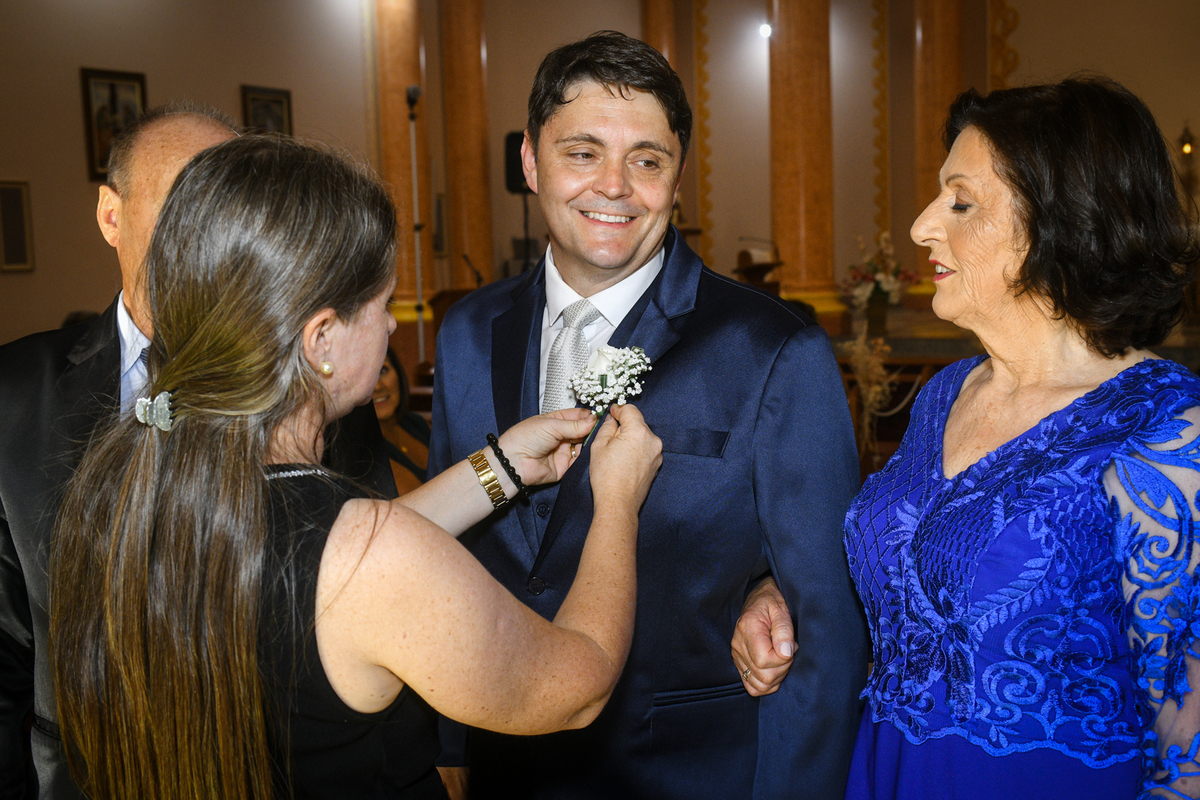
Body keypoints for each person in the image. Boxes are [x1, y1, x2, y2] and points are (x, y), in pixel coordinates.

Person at [48, 135, 662, 800]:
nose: (393, 328)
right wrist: (616, 502)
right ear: (321, 339)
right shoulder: (365, 556)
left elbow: (325, 564)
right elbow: (577, 689)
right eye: (383, 305)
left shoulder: (115, 483)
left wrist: (503, 467)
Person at [428, 30, 867, 798]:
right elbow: (446, 559)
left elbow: (826, 619)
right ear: (530, 161)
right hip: (505, 768)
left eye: (647, 161)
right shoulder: (467, 332)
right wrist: (451, 749)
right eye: (582, 153)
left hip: (685, 773)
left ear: (677, 178)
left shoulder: (770, 349)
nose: (615, 186)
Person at [747, 76, 1200, 798]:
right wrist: (772, 589)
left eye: (961, 203)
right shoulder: (945, 394)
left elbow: (1188, 734)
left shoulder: (1166, 429)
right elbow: (903, 569)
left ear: (1060, 222)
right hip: (887, 769)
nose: (923, 225)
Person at [0, 103, 255, 800]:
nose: (208, 229)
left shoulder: (307, 388)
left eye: (229, 204)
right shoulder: (14, 397)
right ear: (111, 215)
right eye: (181, 203)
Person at [375, 347, 431, 494]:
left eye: (382, 371)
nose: (378, 386)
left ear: (398, 373)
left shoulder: (416, 422)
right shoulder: (360, 450)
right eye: (365, 377)